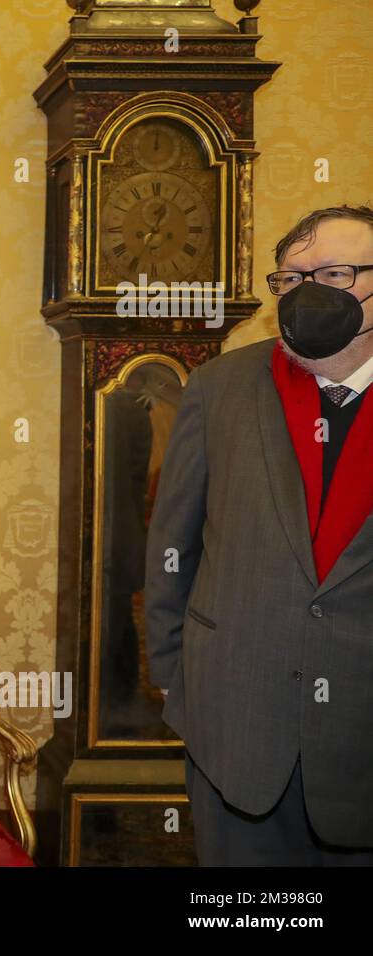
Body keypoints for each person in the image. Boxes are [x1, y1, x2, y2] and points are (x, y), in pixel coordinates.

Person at [146, 204, 373, 865]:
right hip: (236, 728)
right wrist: (174, 675)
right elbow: (171, 545)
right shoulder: (220, 388)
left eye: (333, 273)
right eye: (291, 278)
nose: (310, 292)